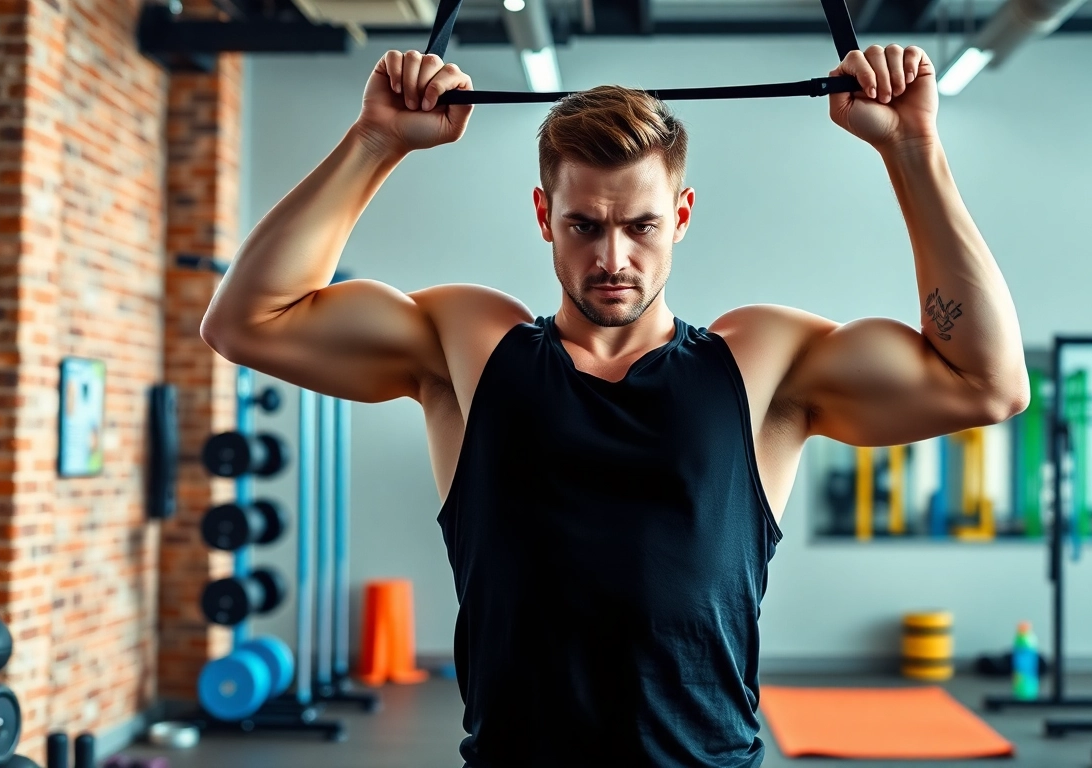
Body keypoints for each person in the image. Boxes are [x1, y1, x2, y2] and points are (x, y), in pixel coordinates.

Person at [201, 44, 1029, 767]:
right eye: (583, 226)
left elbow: (988, 384)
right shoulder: (469, 345)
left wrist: (914, 149)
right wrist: (374, 142)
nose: (612, 258)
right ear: (543, 216)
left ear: (681, 216)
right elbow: (245, 323)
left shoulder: (761, 362)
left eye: (640, 227)